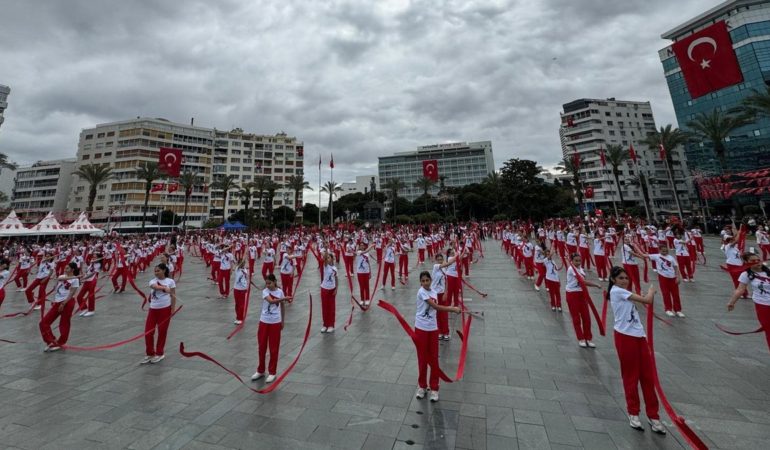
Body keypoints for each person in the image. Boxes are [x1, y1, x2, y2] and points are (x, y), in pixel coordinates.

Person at [607, 266, 666, 434]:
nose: (625, 281)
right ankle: (633, 412)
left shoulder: (624, 292)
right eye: (621, 278)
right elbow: (646, 300)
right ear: (613, 280)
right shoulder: (617, 292)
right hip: (624, 337)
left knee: (648, 377)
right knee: (631, 376)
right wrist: (652, 290)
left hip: (639, 336)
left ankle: (653, 415)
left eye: (626, 278)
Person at [414, 271, 461, 402]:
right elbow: (435, 306)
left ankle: (434, 388)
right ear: (420, 282)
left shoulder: (434, 291)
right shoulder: (421, 292)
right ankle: (422, 386)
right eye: (422, 281)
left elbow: (437, 307)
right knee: (422, 359)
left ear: (430, 280)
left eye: (427, 280)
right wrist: (452, 308)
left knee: (434, 359)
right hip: (421, 328)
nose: (425, 283)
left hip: (433, 329)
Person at [727, 252, 770, 351]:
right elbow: (740, 289)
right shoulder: (746, 274)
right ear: (746, 262)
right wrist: (732, 302)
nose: (757, 262)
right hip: (762, 306)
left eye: (758, 260)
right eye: (753, 261)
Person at [252, 274, 289, 383]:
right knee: (262, 347)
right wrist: (285, 298)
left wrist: (282, 320)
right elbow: (271, 301)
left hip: (275, 323)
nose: (268, 285)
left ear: (275, 282)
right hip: (264, 321)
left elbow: (282, 306)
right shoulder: (265, 291)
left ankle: (272, 372)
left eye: (270, 283)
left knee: (274, 348)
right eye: (266, 283)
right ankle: (261, 370)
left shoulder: (280, 292)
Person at [39, 262, 81, 352]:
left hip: (68, 303)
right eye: (65, 268)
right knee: (43, 323)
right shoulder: (63, 276)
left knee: (64, 323)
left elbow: (72, 293)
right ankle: (51, 341)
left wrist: (63, 303)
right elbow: (59, 278)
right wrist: (76, 276)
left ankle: (60, 342)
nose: (65, 269)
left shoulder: (75, 280)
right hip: (57, 302)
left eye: (67, 268)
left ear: (72, 270)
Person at [141, 263, 177, 364]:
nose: (156, 272)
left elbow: (173, 296)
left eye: (158, 270)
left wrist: (173, 309)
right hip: (153, 310)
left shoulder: (170, 281)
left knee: (162, 332)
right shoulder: (153, 280)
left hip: (165, 310)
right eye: (155, 271)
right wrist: (163, 288)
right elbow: (154, 286)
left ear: (164, 270)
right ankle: (150, 353)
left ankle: (160, 353)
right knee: (148, 332)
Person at [566, 253, 601, 348]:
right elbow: (582, 281)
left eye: (579, 260)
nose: (578, 262)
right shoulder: (571, 269)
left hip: (582, 294)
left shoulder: (580, 268)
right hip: (572, 294)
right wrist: (596, 284)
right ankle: (581, 338)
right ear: (572, 261)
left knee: (586, 317)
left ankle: (588, 338)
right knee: (576, 318)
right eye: (576, 260)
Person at [646, 244, 684, 318]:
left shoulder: (671, 258)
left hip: (672, 278)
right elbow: (645, 255)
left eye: (666, 251)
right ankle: (668, 309)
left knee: (675, 294)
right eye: (663, 251)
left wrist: (678, 277)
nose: (665, 252)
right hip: (663, 278)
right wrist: (635, 248)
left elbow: (676, 267)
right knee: (666, 293)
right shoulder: (656, 256)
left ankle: (678, 310)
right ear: (659, 250)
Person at [320, 252, 338, 333]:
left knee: (331, 308)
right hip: (324, 289)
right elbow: (324, 259)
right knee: (325, 308)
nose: (328, 259)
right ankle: (325, 324)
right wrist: (326, 248)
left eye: (329, 258)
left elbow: (336, 279)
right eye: (327, 258)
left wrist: (336, 289)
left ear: (332, 259)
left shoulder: (335, 268)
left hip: (332, 289)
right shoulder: (326, 266)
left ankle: (331, 325)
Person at [232, 258, 249, 325]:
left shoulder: (245, 270)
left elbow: (246, 278)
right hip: (236, 288)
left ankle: (240, 318)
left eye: (244, 263)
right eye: (242, 263)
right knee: (237, 304)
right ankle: (238, 317)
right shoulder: (237, 269)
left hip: (242, 289)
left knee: (241, 304)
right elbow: (239, 265)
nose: (243, 264)